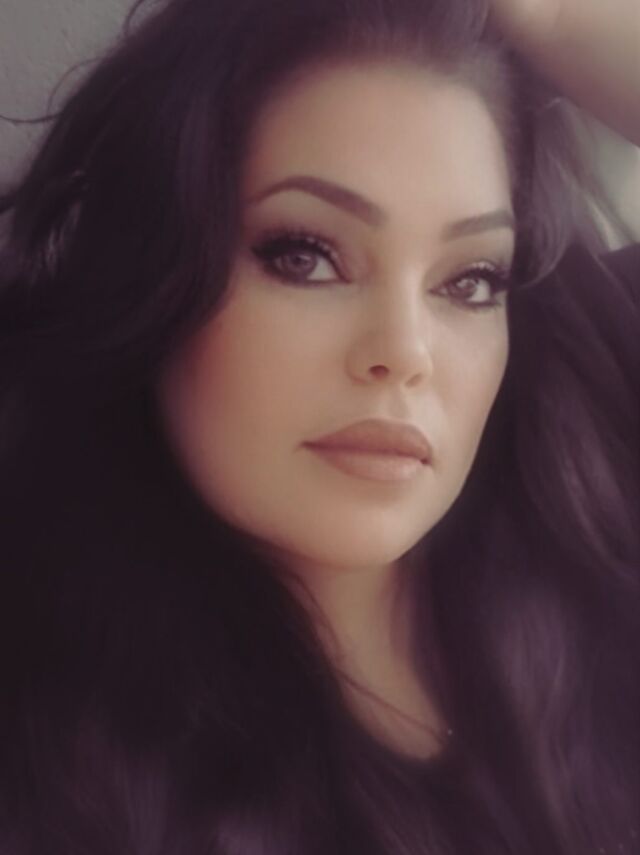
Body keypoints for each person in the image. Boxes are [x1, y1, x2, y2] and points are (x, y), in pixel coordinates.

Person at [0, 0, 637, 852]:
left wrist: (550, 18)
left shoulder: (598, 458)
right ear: (153, 267)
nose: (404, 352)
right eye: (304, 255)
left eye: (471, 279)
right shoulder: (47, 747)